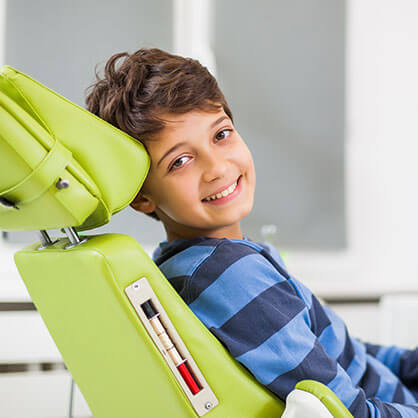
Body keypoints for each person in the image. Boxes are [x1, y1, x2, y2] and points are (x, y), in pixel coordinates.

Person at [86, 48, 418, 417]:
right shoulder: (230, 276)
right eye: (180, 161)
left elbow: (342, 352)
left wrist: (408, 363)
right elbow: (347, 410)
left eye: (221, 135)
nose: (216, 168)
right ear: (142, 197)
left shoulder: (191, 264)